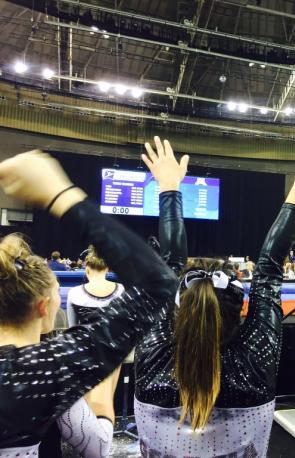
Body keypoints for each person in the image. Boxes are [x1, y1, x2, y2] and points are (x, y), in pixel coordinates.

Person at [134, 135, 295, 457]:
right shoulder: (254, 361)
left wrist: (169, 188)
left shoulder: (153, 357)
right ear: (239, 310)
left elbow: (169, 267)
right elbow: (268, 270)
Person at [0, 150, 176, 455]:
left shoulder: (38, 369)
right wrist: (59, 195)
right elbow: (158, 282)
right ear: (44, 306)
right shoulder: (38, 372)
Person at [66, 246, 125, 326]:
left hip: (86, 338)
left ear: (86, 270)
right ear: (107, 269)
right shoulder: (121, 290)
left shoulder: (74, 293)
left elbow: (72, 328)